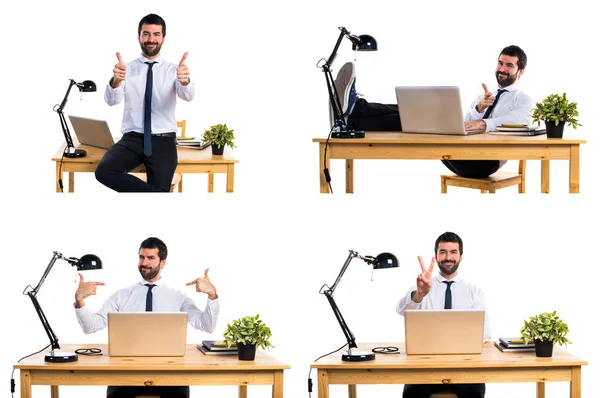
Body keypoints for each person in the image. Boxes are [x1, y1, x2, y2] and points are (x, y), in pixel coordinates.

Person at [336, 45, 534, 178]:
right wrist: (478, 109)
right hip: (462, 150)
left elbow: (519, 121)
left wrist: (483, 123)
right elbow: (464, 123)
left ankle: (355, 110)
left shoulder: (522, 99)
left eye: (509, 65)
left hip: (484, 163)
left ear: (520, 71)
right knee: (414, 115)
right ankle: (354, 116)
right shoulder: (483, 96)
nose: (502, 69)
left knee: (420, 120)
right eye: (500, 63)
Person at [74, 237, 219, 398]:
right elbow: (91, 327)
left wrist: (212, 295)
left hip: (169, 370)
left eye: (151, 258)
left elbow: (207, 326)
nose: (144, 262)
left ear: (163, 262)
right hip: (126, 370)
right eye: (141, 257)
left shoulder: (178, 297)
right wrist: (80, 301)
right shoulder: (121, 296)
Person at [95, 13, 195, 192]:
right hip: (131, 139)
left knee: (159, 186)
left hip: (163, 141)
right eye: (146, 34)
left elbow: (188, 96)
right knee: (104, 171)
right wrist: (116, 81)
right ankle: (157, 196)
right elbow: (111, 101)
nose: (151, 39)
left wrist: (185, 81)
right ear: (139, 37)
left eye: (156, 34)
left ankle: (155, 195)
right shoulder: (127, 69)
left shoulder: (174, 70)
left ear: (163, 38)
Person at [396, 232, 491, 398]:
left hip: (465, 367)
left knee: (475, 393)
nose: (448, 257)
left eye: (453, 252)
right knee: (412, 394)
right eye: (443, 252)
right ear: (436, 256)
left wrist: (455, 342)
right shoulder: (423, 286)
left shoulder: (474, 292)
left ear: (461, 256)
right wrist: (419, 295)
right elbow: (401, 310)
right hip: (425, 367)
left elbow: (486, 332)